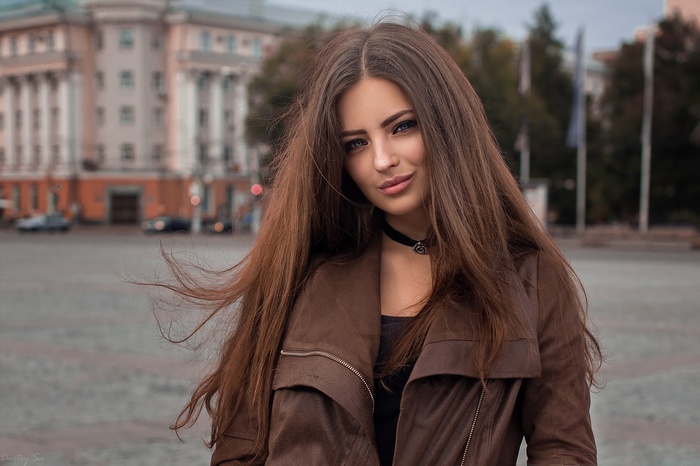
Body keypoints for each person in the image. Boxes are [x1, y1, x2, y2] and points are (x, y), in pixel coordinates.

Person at [163, 21, 602, 465]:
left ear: (446, 124)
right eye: (355, 143)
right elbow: (239, 449)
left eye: (402, 127)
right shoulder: (299, 274)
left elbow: (564, 451)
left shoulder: (532, 280)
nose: (381, 160)